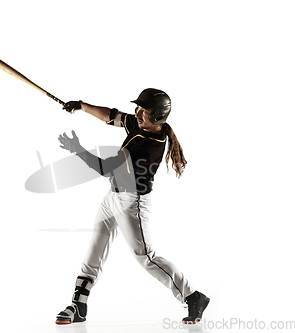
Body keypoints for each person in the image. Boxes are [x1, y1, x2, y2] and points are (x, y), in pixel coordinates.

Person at [55, 88, 209, 325]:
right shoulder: (143, 125)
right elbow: (112, 116)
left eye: (143, 111)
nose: (137, 113)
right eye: (138, 108)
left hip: (132, 203)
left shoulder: (147, 146)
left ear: (157, 116)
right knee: (96, 245)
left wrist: (77, 149)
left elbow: (106, 169)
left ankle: (193, 296)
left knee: (146, 257)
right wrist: (82, 106)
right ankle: (79, 306)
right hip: (113, 196)